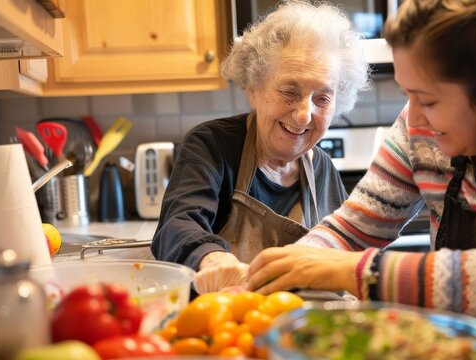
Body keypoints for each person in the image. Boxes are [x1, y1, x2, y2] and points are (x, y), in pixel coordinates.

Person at [247, 0, 476, 357]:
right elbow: (354, 228)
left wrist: (345, 270)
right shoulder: (424, 130)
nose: (414, 117)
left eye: (427, 99)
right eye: (409, 96)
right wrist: (290, 262)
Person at [151, 0, 369, 294]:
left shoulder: (323, 170)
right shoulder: (213, 145)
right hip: (223, 324)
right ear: (253, 89)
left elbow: (348, 255)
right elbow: (177, 225)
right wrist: (213, 259)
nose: (305, 114)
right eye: (290, 92)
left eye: (322, 98)